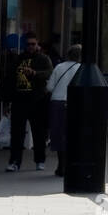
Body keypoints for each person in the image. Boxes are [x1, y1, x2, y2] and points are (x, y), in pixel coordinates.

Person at [2, 32, 52, 172]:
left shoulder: (43, 59)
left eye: (33, 44)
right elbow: (9, 80)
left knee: (39, 133)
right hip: (19, 100)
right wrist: (7, 102)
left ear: (37, 45)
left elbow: (49, 73)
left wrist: (35, 73)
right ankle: (14, 161)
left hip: (37, 101)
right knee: (16, 133)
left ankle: (40, 160)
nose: (30, 47)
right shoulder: (18, 59)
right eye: (28, 44)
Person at [46, 45, 81, 176]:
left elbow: (50, 87)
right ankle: (71, 165)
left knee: (59, 134)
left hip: (57, 102)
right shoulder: (81, 68)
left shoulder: (59, 67)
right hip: (74, 103)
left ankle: (61, 165)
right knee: (72, 134)